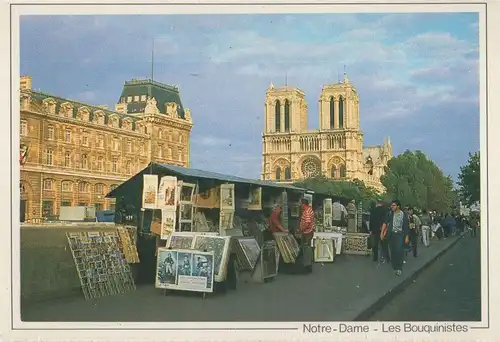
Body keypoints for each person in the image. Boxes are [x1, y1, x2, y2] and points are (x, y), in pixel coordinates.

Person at [381, 200, 409, 276]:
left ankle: (399, 268)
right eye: (391, 205)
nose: (392, 207)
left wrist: (406, 236)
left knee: (399, 250)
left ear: (398, 206)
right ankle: (394, 267)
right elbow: (385, 223)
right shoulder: (390, 213)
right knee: (393, 250)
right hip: (391, 234)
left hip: (400, 234)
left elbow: (406, 226)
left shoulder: (403, 215)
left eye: (393, 205)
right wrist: (382, 233)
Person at [296, 198, 315, 273]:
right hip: (308, 232)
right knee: (306, 247)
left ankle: (307, 265)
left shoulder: (307, 212)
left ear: (303, 204)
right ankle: (307, 264)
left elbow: (307, 223)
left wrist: (300, 230)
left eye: (300, 203)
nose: (299, 205)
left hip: (307, 232)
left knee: (306, 248)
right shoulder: (309, 210)